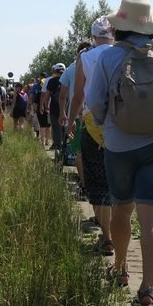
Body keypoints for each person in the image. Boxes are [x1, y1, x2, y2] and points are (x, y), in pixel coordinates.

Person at [88, 0, 153, 306]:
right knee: (151, 218)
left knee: (122, 208)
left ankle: (120, 267)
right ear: (150, 27)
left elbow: (96, 104)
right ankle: (147, 289)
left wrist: (110, 128)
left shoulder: (107, 57)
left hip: (119, 147)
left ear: (119, 26)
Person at [66, 18, 116, 257]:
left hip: (93, 126)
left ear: (94, 35)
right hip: (122, 127)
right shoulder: (122, 53)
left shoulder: (84, 58)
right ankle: (119, 231)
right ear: (113, 34)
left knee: (98, 182)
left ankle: (107, 237)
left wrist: (69, 122)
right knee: (119, 183)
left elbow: (78, 96)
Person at [59, 41, 92, 199]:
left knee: (79, 152)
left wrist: (63, 114)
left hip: (76, 114)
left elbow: (62, 94)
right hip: (93, 115)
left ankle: (85, 186)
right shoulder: (96, 64)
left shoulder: (70, 70)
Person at [41, 62, 66, 151]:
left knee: (56, 128)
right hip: (66, 107)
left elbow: (46, 95)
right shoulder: (67, 79)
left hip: (54, 107)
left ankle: (58, 147)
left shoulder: (51, 81)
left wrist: (46, 106)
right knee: (64, 127)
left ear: (55, 71)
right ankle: (65, 146)